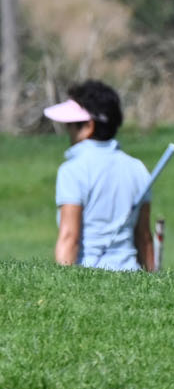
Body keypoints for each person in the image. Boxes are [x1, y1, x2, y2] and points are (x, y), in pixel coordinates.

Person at [46, 80, 156, 274]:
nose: (68, 131)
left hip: (87, 273)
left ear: (88, 126)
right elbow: (144, 238)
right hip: (130, 275)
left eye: (70, 125)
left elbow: (69, 237)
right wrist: (153, 281)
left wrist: (61, 285)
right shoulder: (137, 168)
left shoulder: (72, 170)